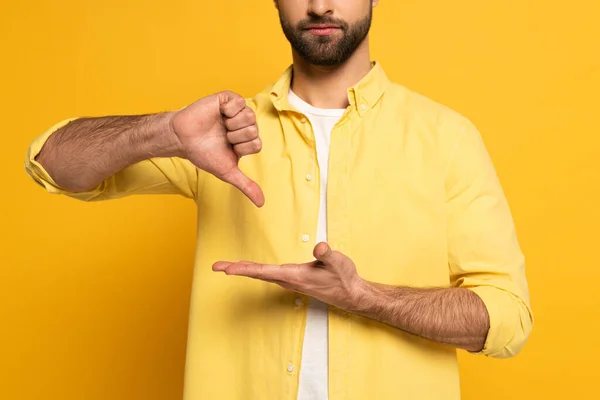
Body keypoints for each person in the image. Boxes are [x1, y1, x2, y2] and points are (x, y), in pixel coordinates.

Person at [24, 1, 533, 399]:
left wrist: (365, 298)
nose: (319, 5)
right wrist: (160, 131)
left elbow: (507, 318)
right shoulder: (217, 136)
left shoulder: (445, 137)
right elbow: (50, 163)